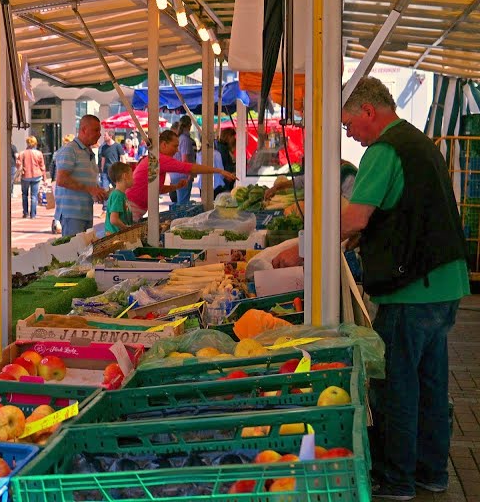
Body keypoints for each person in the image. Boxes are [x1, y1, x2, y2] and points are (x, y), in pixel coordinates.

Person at [275, 77, 468, 500]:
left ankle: (397, 479)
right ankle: (431, 472)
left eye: (348, 125)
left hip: (413, 288)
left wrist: (301, 252)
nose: (350, 135)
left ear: (368, 112)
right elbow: (398, 213)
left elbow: (354, 218)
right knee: (430, 383)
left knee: (396, 383)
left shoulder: (385, 149)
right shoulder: (418, 143)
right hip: (445, 282)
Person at [126, 130, 235, 219]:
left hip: (133, 205)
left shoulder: (155, 159)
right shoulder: (159, 159)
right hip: (133, 206)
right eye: (175, 146)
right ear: (164, 144)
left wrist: (176, 186)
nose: (177, 150)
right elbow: (190, 167)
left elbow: (156, 188)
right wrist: (220, 171)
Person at [54, 115, 107, 237]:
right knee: (74, 252)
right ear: (83, 130)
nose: (99, 134)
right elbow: (61, 180)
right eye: (96, 130)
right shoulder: (70, 150)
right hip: (72, 213)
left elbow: (85, 180)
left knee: (83, 251)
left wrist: (97, 190)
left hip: (85, 211)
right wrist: (90, 189)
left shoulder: (88, 152)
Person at [17, 136, 45, 219]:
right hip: (36, 175)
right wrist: (44, 177)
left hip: (25, 175)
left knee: (24, 194)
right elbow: (42, 166)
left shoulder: (22, 153)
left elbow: (18, 163)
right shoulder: (39, 153)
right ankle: (33, 214)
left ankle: (25, 213)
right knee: (34, 196)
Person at [104, 162, 135, 235]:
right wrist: (126, 229)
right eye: (131, 175)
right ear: (125, 176)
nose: (133, 178)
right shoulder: (117, 195)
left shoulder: (121, 195)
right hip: (115, 237)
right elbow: (114, 219)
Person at [174, 116, 197, 203]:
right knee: (183, 203)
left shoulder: (180, 138)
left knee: (180, 201)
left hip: (177, 174)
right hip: (183, 175)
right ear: (189, 125)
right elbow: (185, 160)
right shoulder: (185, 139)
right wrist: (189, 175)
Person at [214, 128, 238, 197]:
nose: (234, 139)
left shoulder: (222, 147)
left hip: (224, 180)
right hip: (224, 182)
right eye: (232, 136)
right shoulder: (223, 149)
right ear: (228, 136)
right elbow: (226, 165)